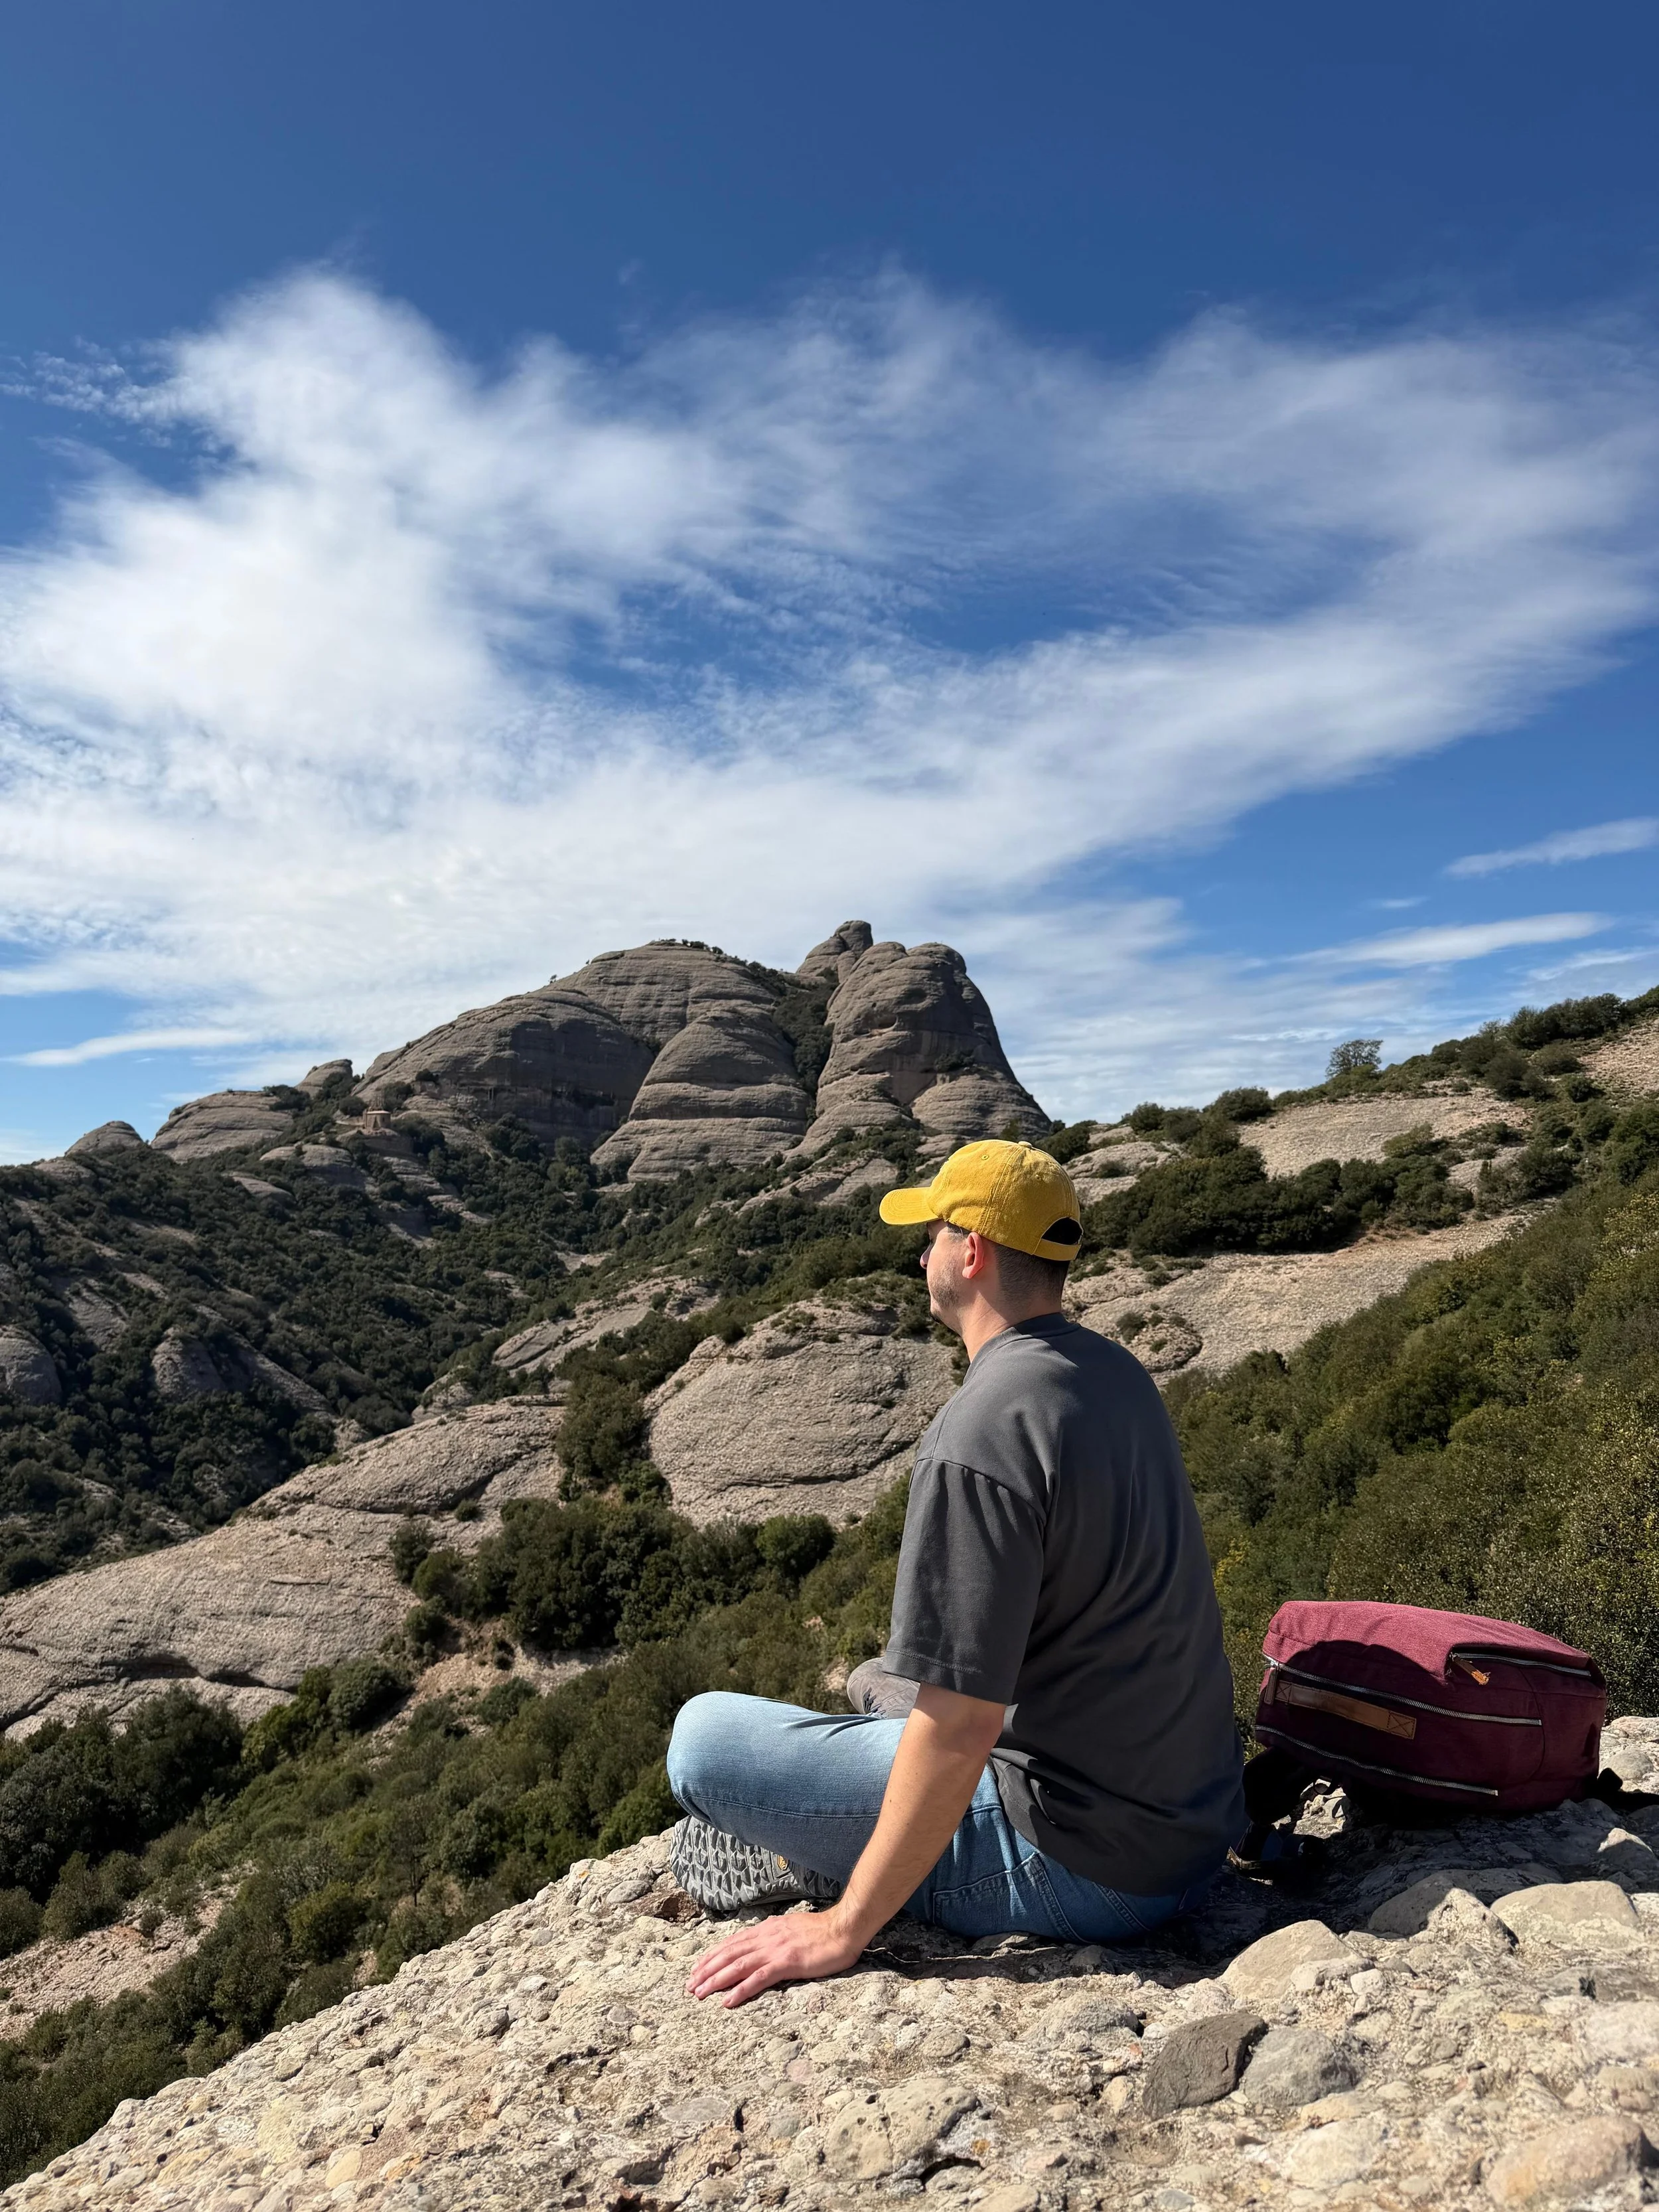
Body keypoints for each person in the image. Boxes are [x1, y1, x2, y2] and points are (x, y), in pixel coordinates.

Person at [667, 1138, 1244, 2009]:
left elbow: (963, 1725)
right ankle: (844, 1819)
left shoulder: (980, 1431)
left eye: (932, 1234)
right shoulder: (1115, 1372)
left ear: (971, 1253)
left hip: (1088, 1867)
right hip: (1186, 1823)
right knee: (878, 1678)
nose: (919, 1255)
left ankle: (815, 1861)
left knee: (703, 1742)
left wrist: (845, 1927)